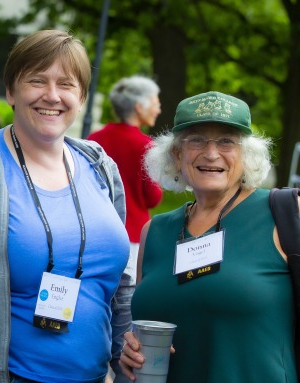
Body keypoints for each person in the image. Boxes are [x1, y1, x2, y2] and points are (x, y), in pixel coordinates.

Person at [0, 29, 128, 383]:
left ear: (81, 96)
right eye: (37, 80)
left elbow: (118, 282)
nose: (52, 95)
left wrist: (128, 360)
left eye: (66, 84)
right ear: (10, 91)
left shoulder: (100, 167)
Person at [118, 91, 296, 383]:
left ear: (246, 154)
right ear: (176, 154)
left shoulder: (284, 215)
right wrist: (131, 352)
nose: (211, 153)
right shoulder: (155, 232)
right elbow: (144, 325)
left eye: (227, 141)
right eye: (196, 140)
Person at [86, 75, 163, 379]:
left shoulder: (94, 138)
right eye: (156, 102)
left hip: (93, 234)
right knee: (126, 308)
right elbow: (153, 196)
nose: (158, 109)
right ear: (141, 106)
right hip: (131, 236)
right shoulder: (146, 145)